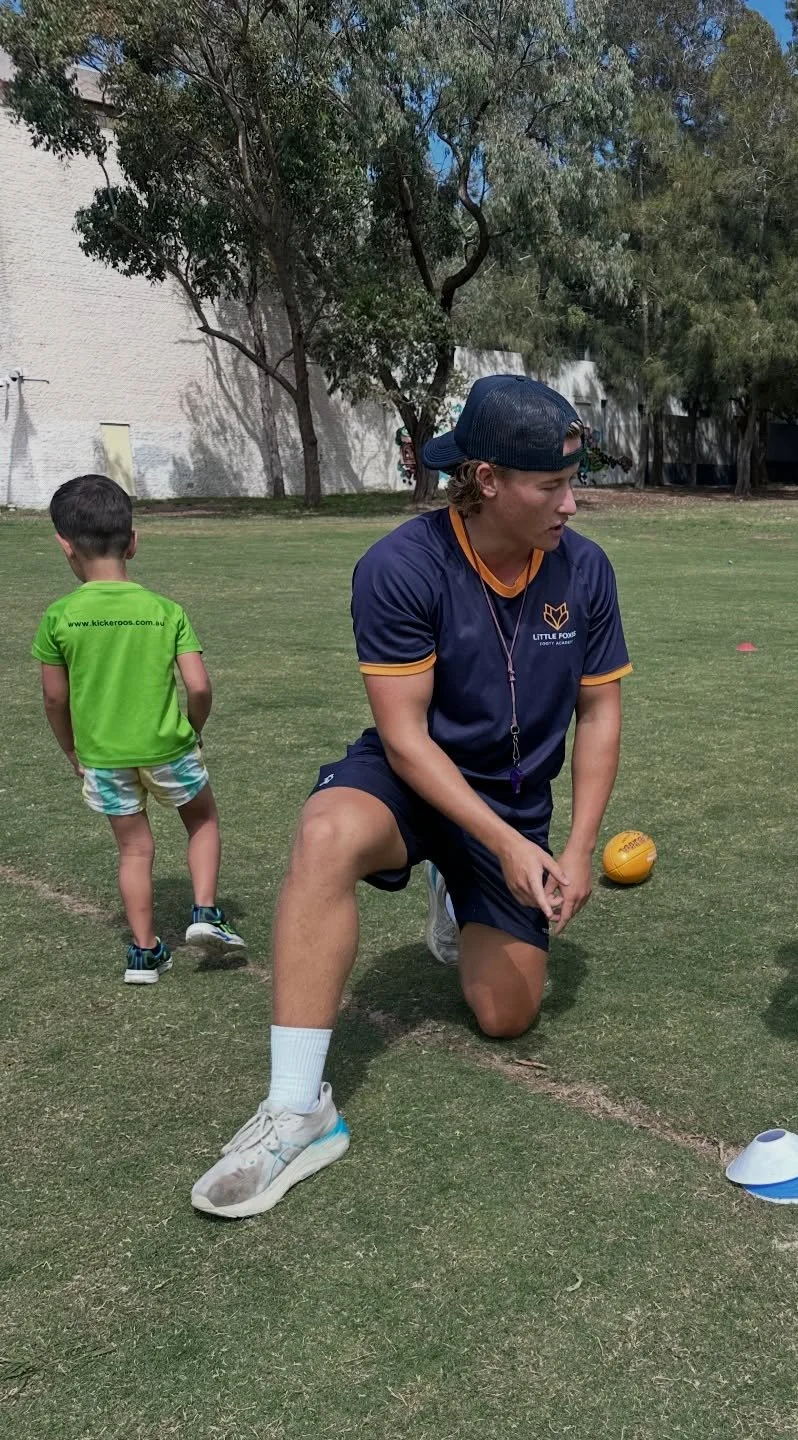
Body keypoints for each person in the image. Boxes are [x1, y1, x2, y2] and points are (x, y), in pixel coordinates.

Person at [191, 375, 632, 1219]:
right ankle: (296, 1111)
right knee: (325, 833)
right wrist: (503, 846)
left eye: (575, 482)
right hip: (413, 779)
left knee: (508, 1016)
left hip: (512, 804)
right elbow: (404, 738)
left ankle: (456, 890)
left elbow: (601, 708)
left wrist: (573, 848)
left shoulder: (585, 569)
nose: (572, 505)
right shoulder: (400, 566)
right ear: (488, 479)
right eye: (552, 486)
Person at [31, 475, 247, 984]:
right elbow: (198, 687)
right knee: (202, 820)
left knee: (133, 849)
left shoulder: (58, 617)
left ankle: (145, 953)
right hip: (168, 747)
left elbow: (54, 697)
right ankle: (205, 912)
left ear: (64, 545)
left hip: (103, 756)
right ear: (133, 541)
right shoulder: (165, 611)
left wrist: (72, 751)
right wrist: (192, 731)